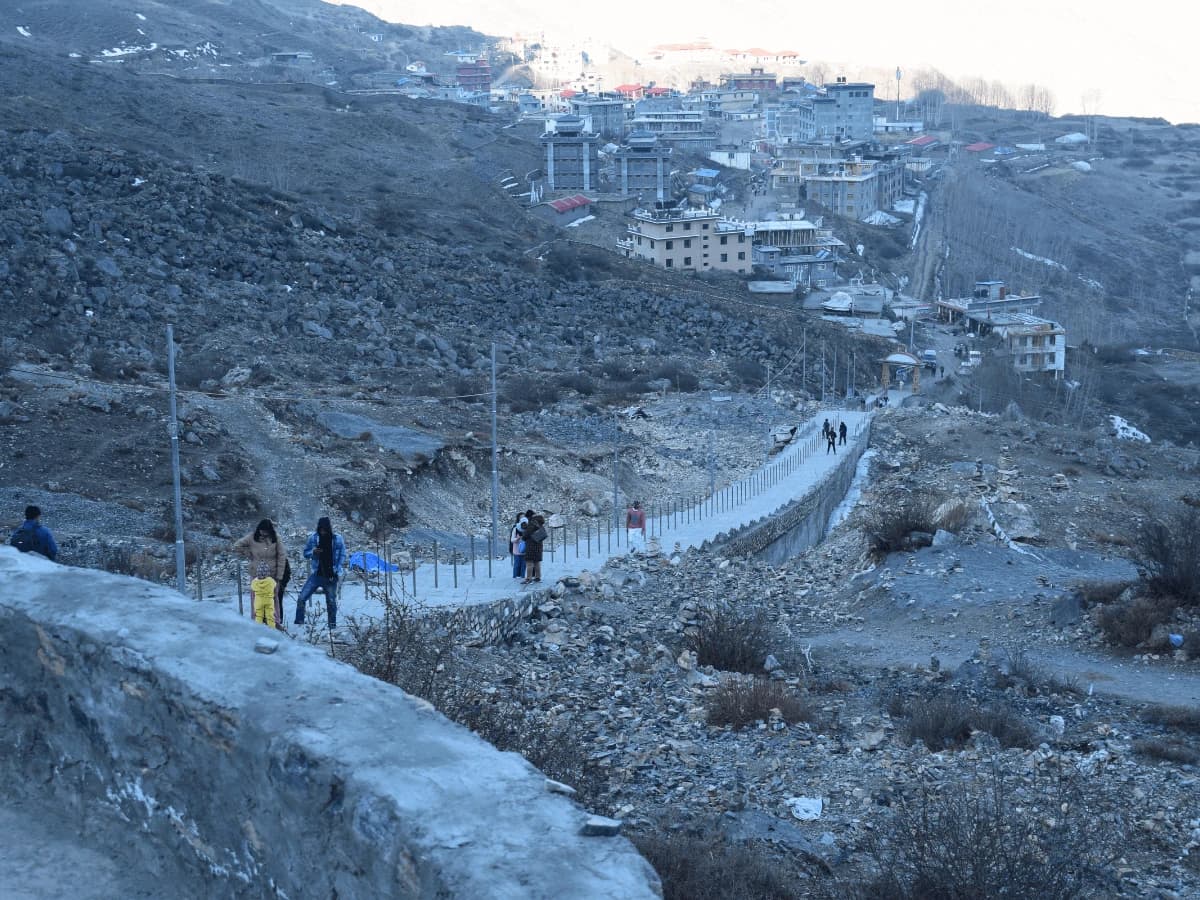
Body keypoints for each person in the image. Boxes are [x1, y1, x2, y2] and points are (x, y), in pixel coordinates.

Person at [233, 519, 288, 627]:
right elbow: (237, 545)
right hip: (256, 573)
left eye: (266, 531)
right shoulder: (251, 537)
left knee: (273, 598)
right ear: (259, 529)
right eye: (262, 531)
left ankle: (275, 622)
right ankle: (256, 623)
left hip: (272, 574)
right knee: (255, 598)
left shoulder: (276, 538)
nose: (264, 533)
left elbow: (282, 556)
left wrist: (279, 575)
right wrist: (249, 554)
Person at [295, 517, 345, 630]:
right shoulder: (313, 538)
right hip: (316, 574)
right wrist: (313, 552)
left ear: (328, 528)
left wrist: (337, 569)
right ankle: (299, 623)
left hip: (331, 575)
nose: (322, 531)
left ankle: (332, 626)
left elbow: (342, 555)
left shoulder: (337, 539)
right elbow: (305, 553)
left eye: (325, 529)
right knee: (301, 598)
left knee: (331, 602)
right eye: (321, 529)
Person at [521, 515, 546, 585]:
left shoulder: (531, 525)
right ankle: (538, 577)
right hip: (538, 546)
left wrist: (525, 530)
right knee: (537, 562)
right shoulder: (541, 526)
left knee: (529, 563)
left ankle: (528, 579)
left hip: (530, 547)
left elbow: (525, 536)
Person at [250, 563, 276, 628]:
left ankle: (258, 630)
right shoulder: (271, 580)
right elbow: (274, 586)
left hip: (258, 601)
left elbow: (252, 588)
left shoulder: (254, 582)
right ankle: (272, 631)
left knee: (259, 616)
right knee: (270, 617)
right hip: (269, 601)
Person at [510, 513, 528, 580]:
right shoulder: (515, 529)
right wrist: (517, 539)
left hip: (525, 551)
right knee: (517, 564)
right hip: (516, 550)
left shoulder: (528, 529)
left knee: (524, 565)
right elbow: (512, 540)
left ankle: (522, 577)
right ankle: (515, 576)